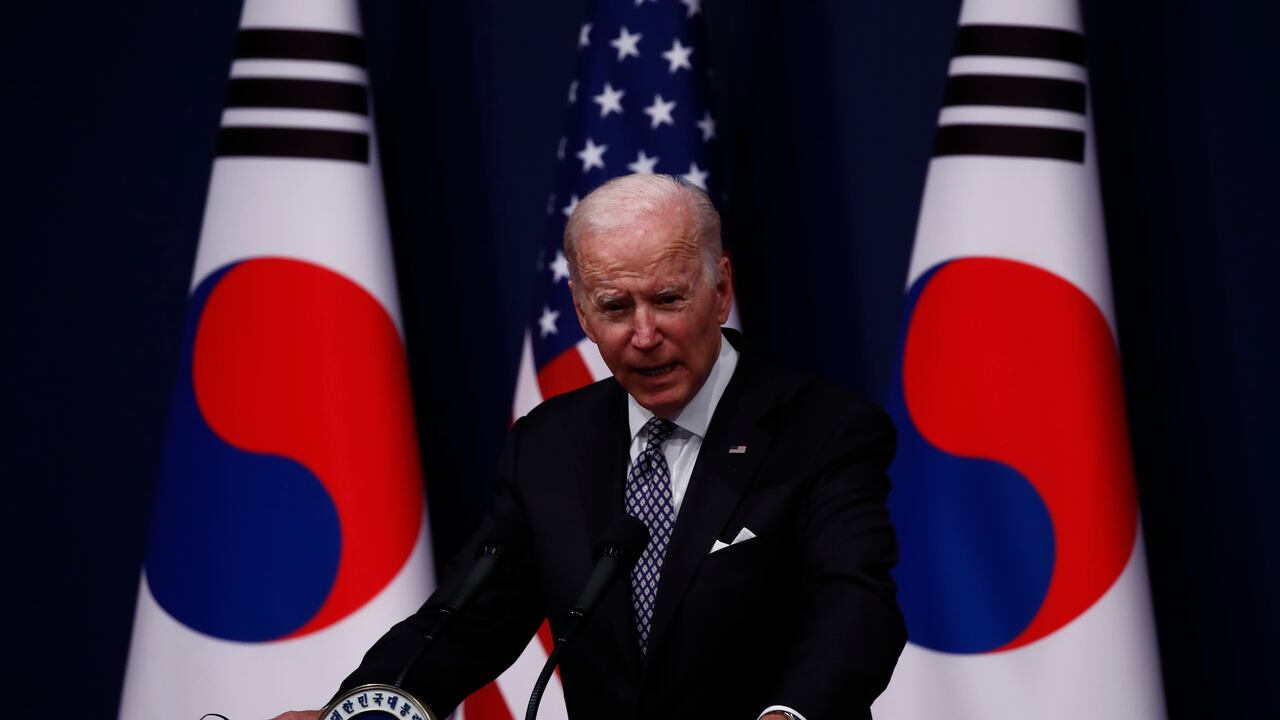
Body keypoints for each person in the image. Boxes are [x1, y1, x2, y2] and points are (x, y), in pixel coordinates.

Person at [273, 174, 905, 720]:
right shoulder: (550, 443)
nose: (644, 334)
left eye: (667, 299)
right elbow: (468, 620)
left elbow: (853, 607)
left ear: (721, 289)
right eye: (614, 306)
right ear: (580, 313)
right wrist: (357, 708)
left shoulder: (823, 430)